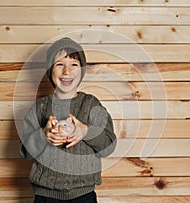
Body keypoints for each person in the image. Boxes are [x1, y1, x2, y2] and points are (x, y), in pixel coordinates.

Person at [20, 37, 117, 203]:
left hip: (83, 195)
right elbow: (26, 152)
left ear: (82, 70)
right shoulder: (40, 107)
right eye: (59, 64)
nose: (67, 71)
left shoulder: (91, 104)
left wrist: (86, 131)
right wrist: (43, 136)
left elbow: (108, 146)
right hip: (45, 196)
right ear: (50, 70)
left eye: (74, 64)